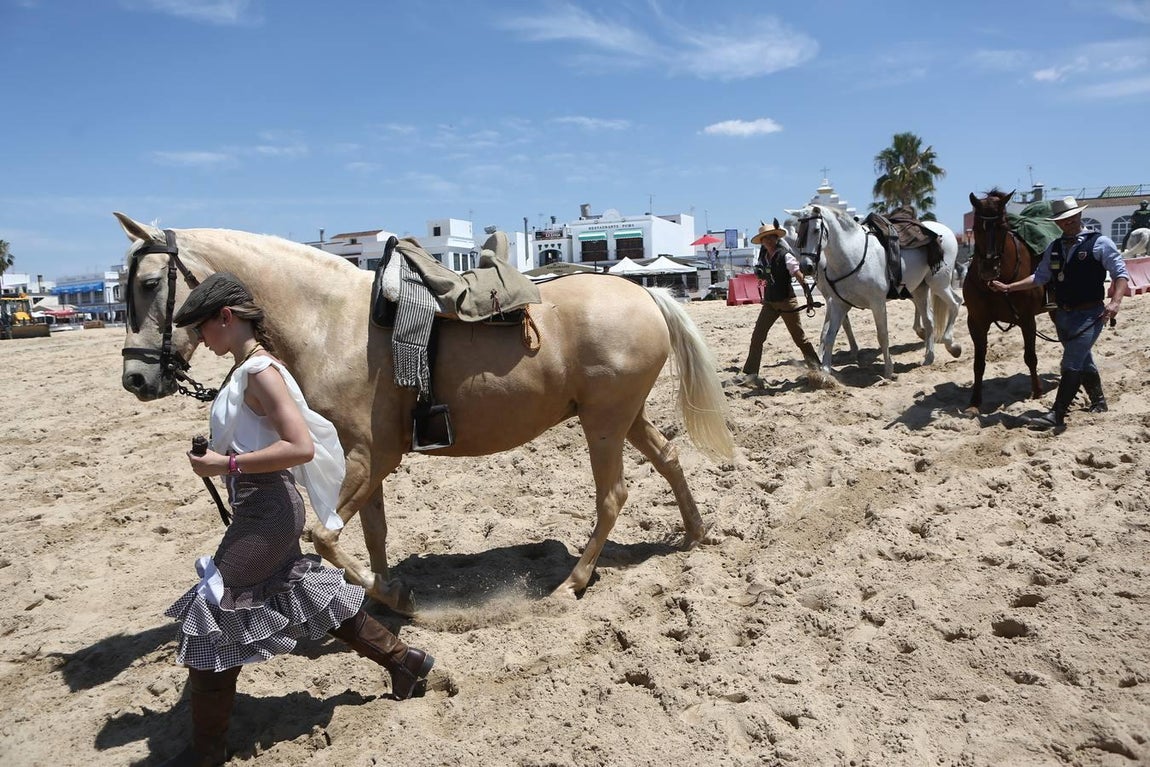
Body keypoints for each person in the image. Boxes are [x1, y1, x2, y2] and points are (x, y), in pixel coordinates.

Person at [163, 272, 434, 766]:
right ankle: (406, 662)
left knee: (211, 611)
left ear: (226, 318)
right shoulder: (247, 368)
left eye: (201, 328)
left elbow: (299, 447)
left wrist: (224, 465)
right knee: (300, 592)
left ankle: (205, 752)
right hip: (262, 505)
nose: (199, 340)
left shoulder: (259, 371)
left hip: (267, 510)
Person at [991, 197, 1129, 431]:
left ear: (1079, 216)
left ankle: (1057, 414)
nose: (1069, 223)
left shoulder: (1100, 243)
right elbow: (1039, 277)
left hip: (1090, 314)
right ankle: (1099, 401)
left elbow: (1120, 273)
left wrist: (1115, 302)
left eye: (1072, 218)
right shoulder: (1053, 247)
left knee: (1071, 362)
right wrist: (1009, 287)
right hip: (1063, 314)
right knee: (1083, 358)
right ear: (1058, 223)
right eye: (1063, 220)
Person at [733, 221, 820, 388]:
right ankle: (750, 373)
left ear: (775, 238)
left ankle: (817, 368)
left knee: (800, 338)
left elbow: (799, 275)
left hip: (787, 302)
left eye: (770, 237)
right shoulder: (764, 258)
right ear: (763, 241)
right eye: (765, 239)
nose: (768, 241)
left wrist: (808, 297)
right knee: (757, 336)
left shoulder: (785, 255)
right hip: (770, 303)